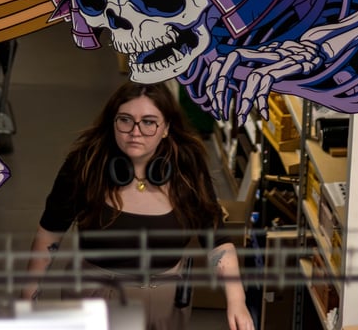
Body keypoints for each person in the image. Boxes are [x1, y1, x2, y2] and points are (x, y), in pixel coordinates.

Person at [23, 81, 255, 330]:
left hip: (166, 308)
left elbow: (216, 239)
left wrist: (237, 300)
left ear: (166, 128)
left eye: (148, 122)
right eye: (125, 120)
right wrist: (28, 296)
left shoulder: (186, 168)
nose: (136, 132)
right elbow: (51, 231)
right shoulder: (86, 164)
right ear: (113, 122)